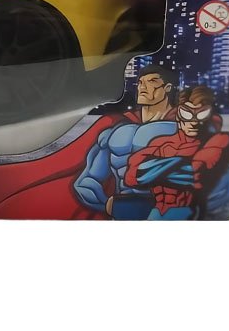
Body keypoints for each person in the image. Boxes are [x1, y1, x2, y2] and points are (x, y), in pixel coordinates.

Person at [73, 65, 178, 219]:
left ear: (167, 88)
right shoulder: (116, 130)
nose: (143, 87)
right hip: (123, 212)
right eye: (141, 82)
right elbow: (87, 181)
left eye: (152, 81)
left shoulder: (185, 128)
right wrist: (106, 205)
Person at [124, 86, 229, 220]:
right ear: (178, 114)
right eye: (187, 114)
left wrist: (155, 169)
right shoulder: (161, 143)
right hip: (158, 211)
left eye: (201, 114)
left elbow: (197, 173)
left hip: (191, 211)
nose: (193, 121)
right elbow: (132, 177)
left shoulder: (218, 140)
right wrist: (181, 163)